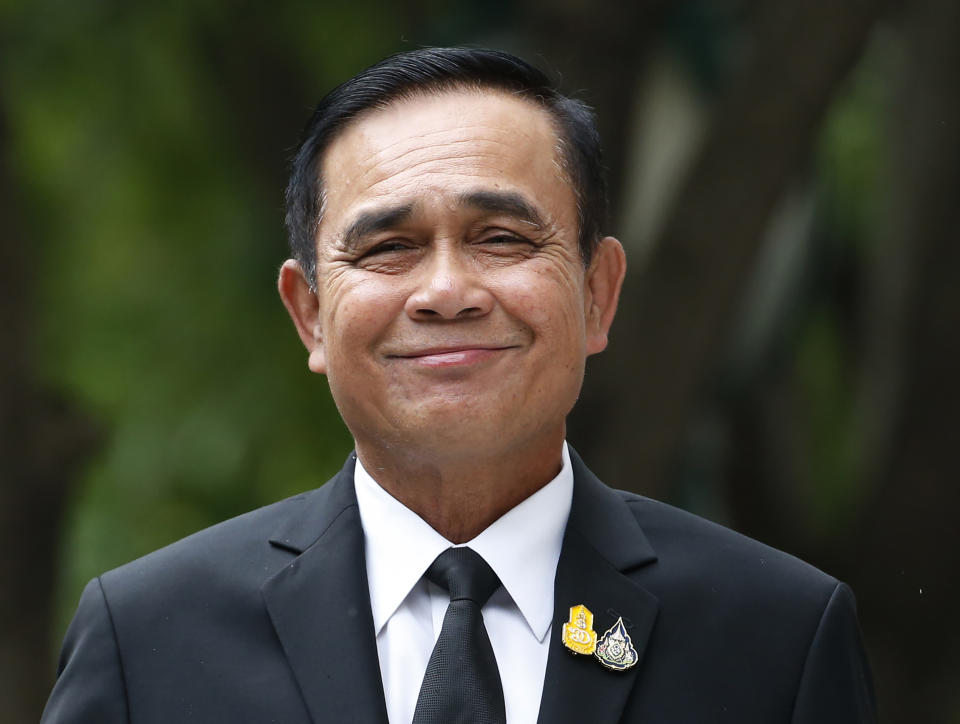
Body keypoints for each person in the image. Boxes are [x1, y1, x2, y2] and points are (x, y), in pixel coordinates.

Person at [41, 47, 877, 723]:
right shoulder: (150, 640)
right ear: (309, 315)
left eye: (503, 237)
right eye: (387, 248)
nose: (447, 290)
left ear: (597, 294)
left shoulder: (774, 635)